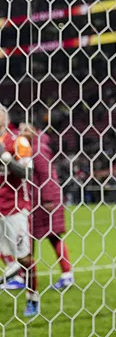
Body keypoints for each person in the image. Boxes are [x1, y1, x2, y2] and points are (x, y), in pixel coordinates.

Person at [19, 123, 75, 290]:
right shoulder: (33, 147)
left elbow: (47, 174)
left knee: (47, 236)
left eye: (24, 129)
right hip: (38, 200)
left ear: (33, 130)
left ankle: (64, 275)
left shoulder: (38, 149)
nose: (21, 133)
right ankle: (26, 275)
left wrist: (48, 199)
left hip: (45, 201)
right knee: (35, 237)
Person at [0, 105, 39, 317]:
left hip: (16, 208)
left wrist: (6, 157)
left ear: (5, 118)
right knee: (5, 253)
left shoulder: (18, 141)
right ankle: (12, 271)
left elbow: (28, 173)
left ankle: (32, 297)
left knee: (25, 258)